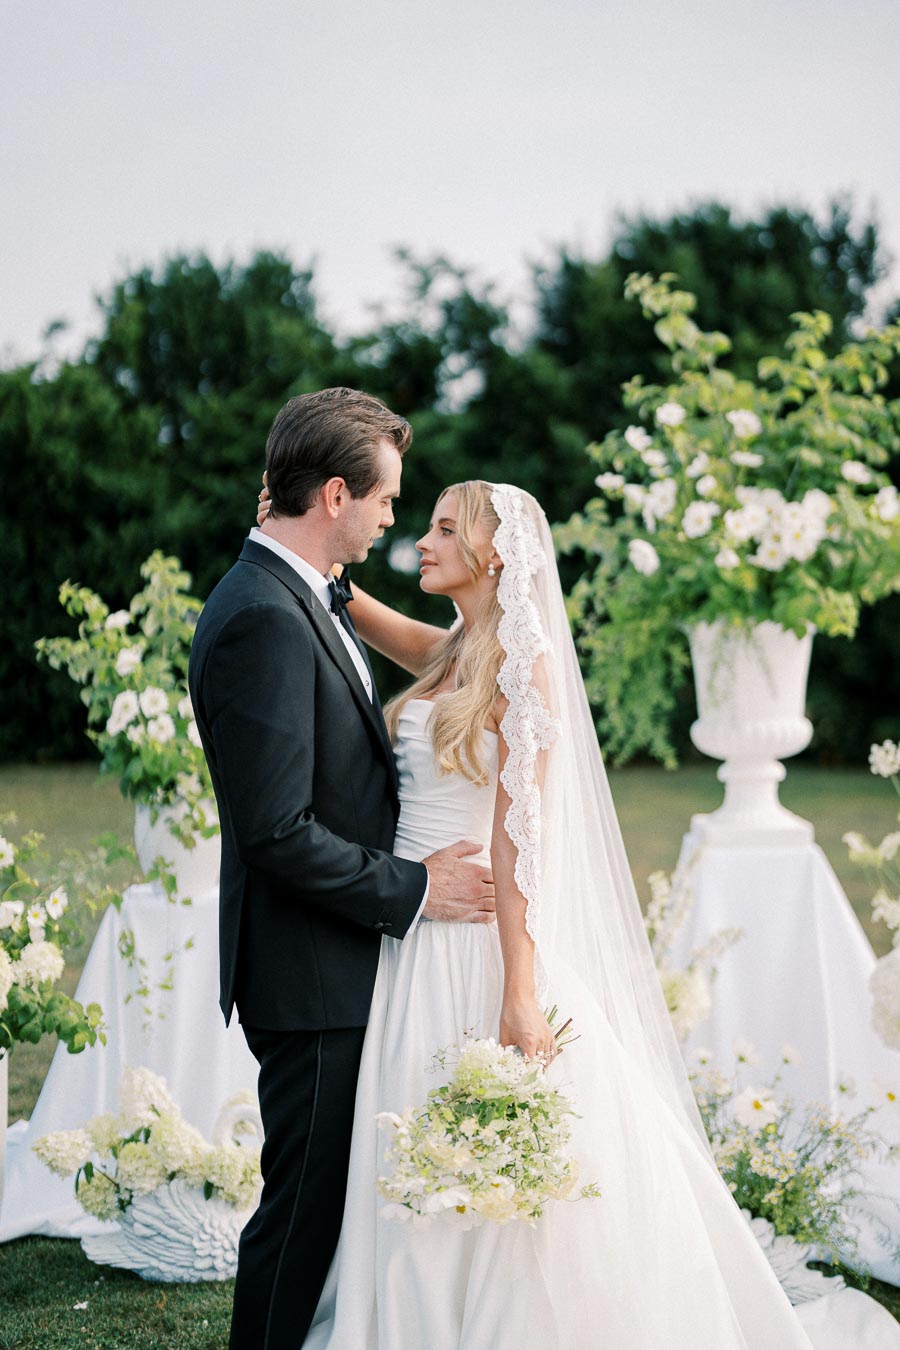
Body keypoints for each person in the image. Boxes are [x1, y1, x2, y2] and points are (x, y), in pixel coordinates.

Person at [258, 476, 819, 1349]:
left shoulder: (526, 670)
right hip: (415, 932)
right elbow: (392, 630)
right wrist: (311, 564)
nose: (423, 543)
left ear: (491, 555)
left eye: (444, 530)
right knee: (416, 1134)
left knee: (477, 1132)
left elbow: (519, 841)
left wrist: (519, 991)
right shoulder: (460, 648)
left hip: (476, 936)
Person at [188, 389, 497, 1350]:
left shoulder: (294, 594)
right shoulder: (262, 620)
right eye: (387, 499)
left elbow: (452, 656)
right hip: (311, 974)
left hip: (342, 965)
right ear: (334, 495)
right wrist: (418, 889)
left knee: (329, 1209)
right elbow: (277, 831)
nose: (393, 519)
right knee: (299, 1219)